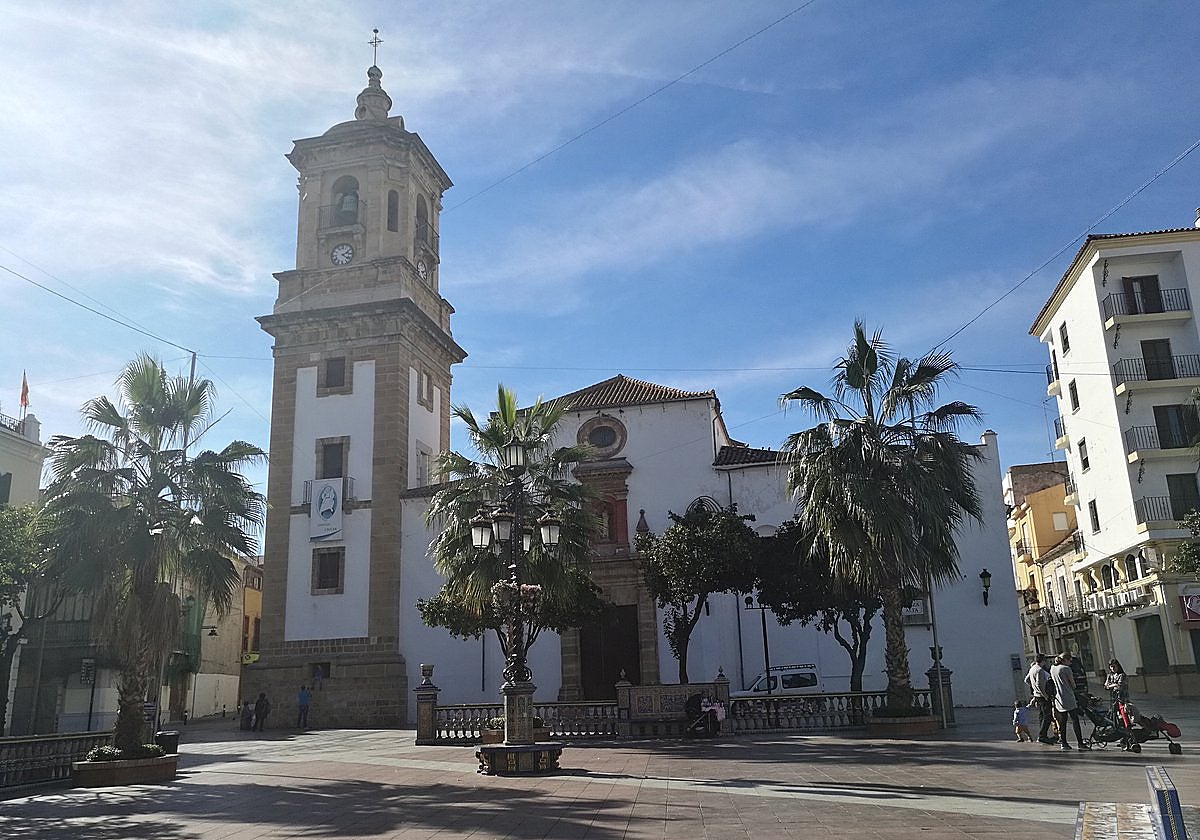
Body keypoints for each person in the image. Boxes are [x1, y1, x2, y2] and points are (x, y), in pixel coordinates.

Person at [1050, 653, 1089, 751]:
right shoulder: (1066, 669)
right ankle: (1080, 743)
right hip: (1068, 696)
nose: (1071, 662)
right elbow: (1073, 684)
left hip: (1059, 698)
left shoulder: (1053, 668)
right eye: (1070, 660)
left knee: (1062, 721)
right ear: (1065, 660)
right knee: (1075, 720)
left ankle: (1064, 742)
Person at [1025, 653, 1055, 745]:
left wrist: (1033, 688)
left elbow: (1026, 680)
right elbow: (1039, 684)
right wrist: (1045, 695)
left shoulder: (1033, 668)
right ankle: (1042, 735)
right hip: (1042, 696)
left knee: (1042, 715)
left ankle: (1043, 735)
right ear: (1043, 661)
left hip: (1037, 695)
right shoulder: (1040, 670)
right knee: (1048, 716)